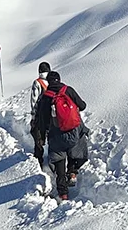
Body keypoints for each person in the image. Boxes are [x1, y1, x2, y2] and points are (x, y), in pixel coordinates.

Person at [34, 71, 90, 201]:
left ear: (48, 82)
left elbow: (42, 121)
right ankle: (72, 172)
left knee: (59, 161)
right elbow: (82, 106)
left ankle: (63, 194)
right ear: (59, 80)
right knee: (75, 150)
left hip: (56, 134)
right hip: (73, 132)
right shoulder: (68, 90)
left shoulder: (46, 97)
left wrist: (41, 137)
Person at [28, 62, 52, 163]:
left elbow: (34, 100)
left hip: (40, 115)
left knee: (38, 134)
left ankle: (39, 157)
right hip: (51, 114)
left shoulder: (37, 82)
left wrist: (33, 116)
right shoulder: (52, 82)